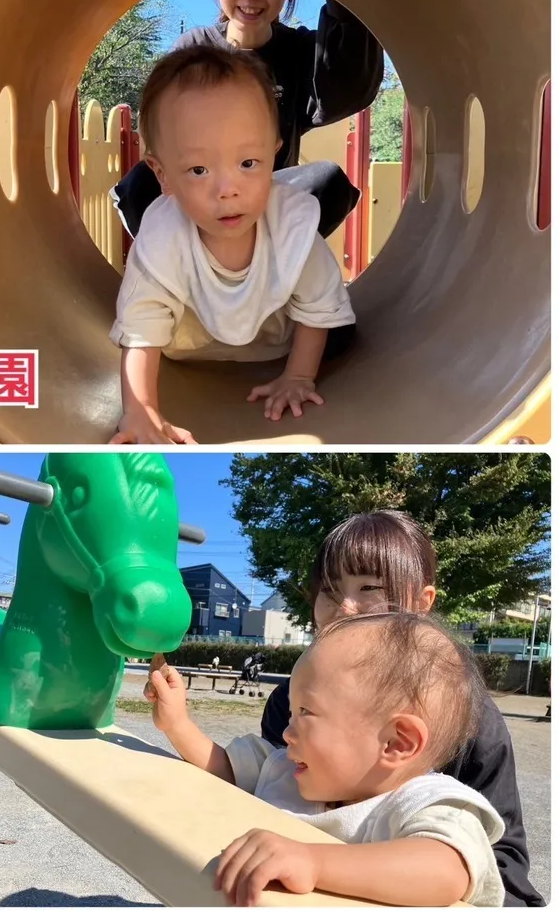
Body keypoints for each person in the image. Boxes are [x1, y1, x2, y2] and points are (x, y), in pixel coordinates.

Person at [260, 510, 545, 907]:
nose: (344, 606)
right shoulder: (288, 700)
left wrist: (327, 865)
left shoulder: (470, 718)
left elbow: (501, 862)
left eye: (371, 588)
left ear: (422, 601)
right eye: (329, 589)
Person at [145, 611, 506, 906]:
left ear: (396, 743)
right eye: (291, 713)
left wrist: (314, 862)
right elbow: (222, 768)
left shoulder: (429, 806)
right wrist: (176, 723)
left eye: (306, 712)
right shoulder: (286, 768)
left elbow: (444, 872)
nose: (287, 733)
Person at [109, 45, 355, 444]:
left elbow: (317, 306)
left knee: (343, 333)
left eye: (247, 163)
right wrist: (141, 411)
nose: (228, 190)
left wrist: (297, 376)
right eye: (199, 170)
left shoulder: (291, 225)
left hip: (276, 344)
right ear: (162, 174)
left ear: (273, 156)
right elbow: (140, 330)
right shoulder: (161, 240)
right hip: (188, 348)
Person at [111, 0, 383, 240]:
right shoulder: (193, 50)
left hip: (264, 212)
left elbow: (349, 84)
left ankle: (260, 270)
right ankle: (193, 266)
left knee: (329, 181)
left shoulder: (299, 54)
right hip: (199, 204)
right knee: (140, 183)